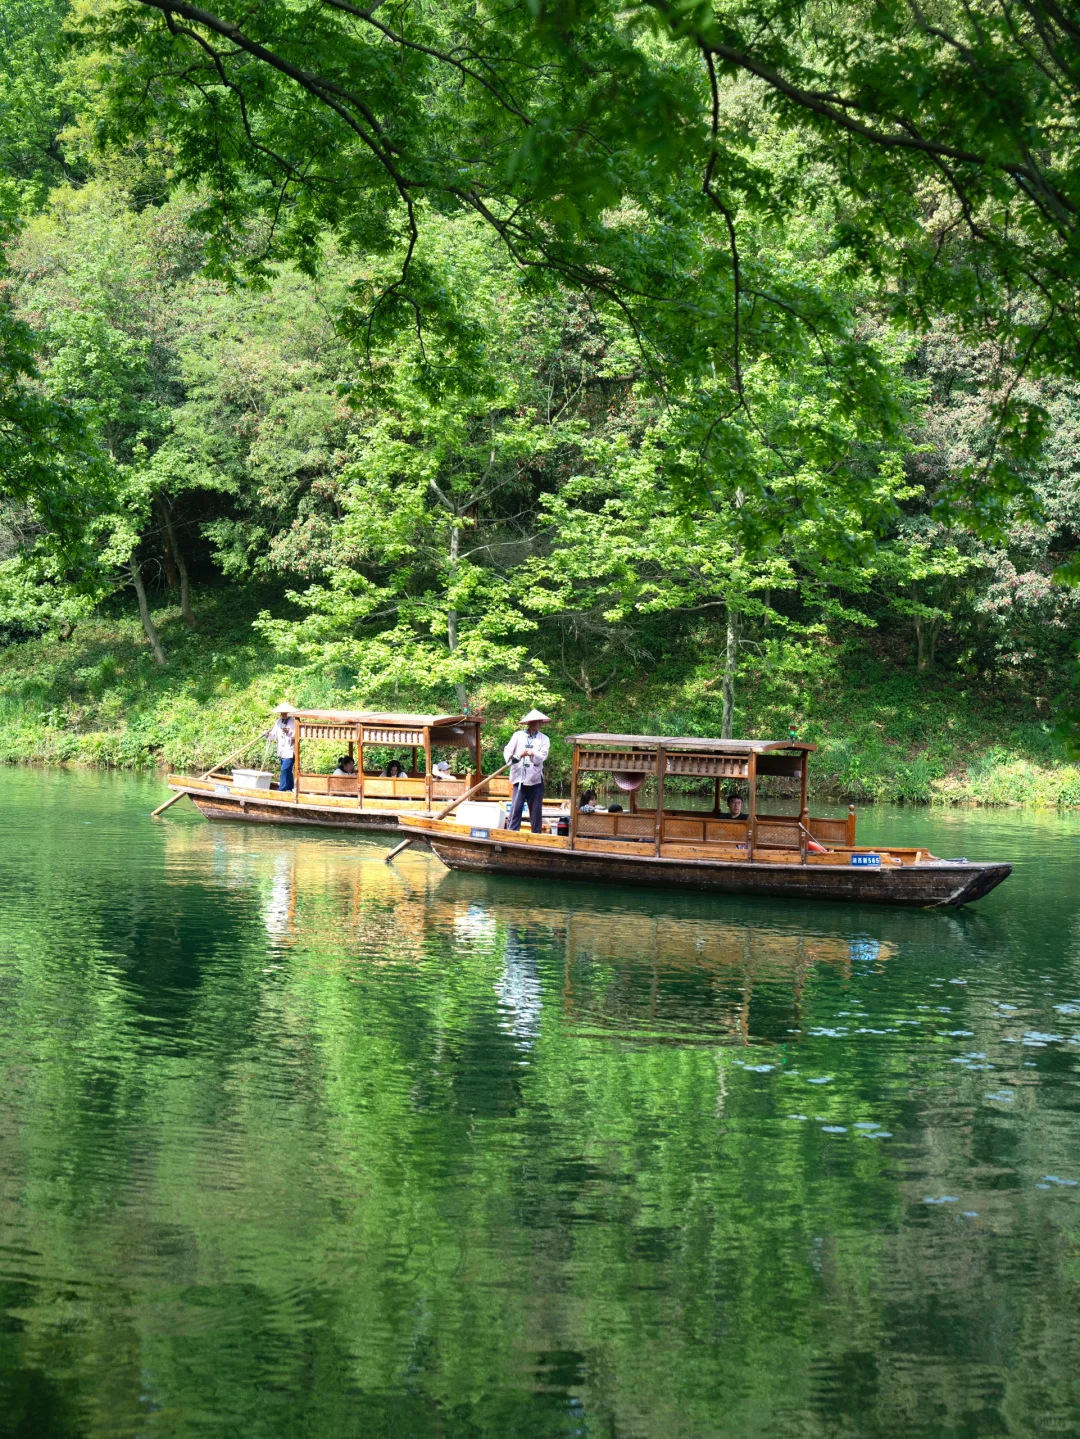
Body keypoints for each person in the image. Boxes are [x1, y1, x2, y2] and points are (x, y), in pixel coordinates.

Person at [504, 708, 551, 833]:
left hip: (535, 781)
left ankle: (536, 836)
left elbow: (542, 756)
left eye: (541, 722)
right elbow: (508, 750)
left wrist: (532, 753)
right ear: (531, 723)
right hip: (519, 779)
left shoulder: (544, 739)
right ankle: (512, 834)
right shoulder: (518, 735)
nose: (541, 724)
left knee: (536, 812)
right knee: (516, 809)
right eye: (538, 722)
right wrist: (510, 758)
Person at [267, 704, 296, 793]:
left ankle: (282, 789)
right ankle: (290, 787)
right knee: (287, 770)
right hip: (282, 750)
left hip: (290, 750)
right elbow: (273, 734)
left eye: (286, 713)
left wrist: (288, 732)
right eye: (282, 713)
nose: (284, 714)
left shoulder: (294, 722)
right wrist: (268, 734)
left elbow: (296, 735)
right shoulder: (278, 722)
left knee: (284, 769)